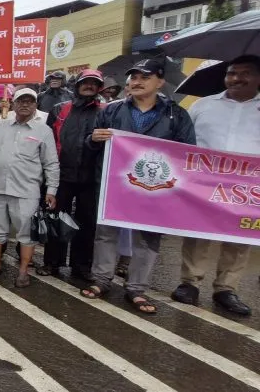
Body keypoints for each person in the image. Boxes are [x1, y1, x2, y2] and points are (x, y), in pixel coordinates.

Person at [81, 59, 196, 314]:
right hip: (114, 184)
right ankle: (101, 279)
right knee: (106, 233)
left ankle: (136, 287)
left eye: (145, 76)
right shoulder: (111, 110)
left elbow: (188, 152)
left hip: (156, 189)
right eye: (133, 76)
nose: (136, 81)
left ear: (160, 82)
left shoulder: (176, 115)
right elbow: (88, 142)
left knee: (147, 238)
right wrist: (93, 138)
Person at [171, 54, 260, 316]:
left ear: (258, 78)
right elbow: (181, 140)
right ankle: (190, 283)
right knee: (199, 232)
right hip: (204, 183)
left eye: (244, 73)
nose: (236, 78)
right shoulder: (202, 106)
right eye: (231, 73)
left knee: (239, 236)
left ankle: (226, 289)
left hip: (248, 188)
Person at [0, 89, 59, 287]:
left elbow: (51, 163)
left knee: (26, 233)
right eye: (21, 100)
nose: (25, 104)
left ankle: (23, 271)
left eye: (30, 101)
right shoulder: (0, 126)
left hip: (26, 191)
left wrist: (51, 189)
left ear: (35, 105)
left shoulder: (43, 131)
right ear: (14, 103)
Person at [39, 69, 105, 279]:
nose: (90, 86)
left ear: (99, 87)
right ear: (77, 85)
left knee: (87, 224)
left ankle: (82, 266)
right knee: (56, 219)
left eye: (94, 83)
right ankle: (52, 263)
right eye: (86, 82)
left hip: (91, 178)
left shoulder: (106, 111)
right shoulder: (60, 109)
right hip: (62, 176)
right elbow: (46, 143)